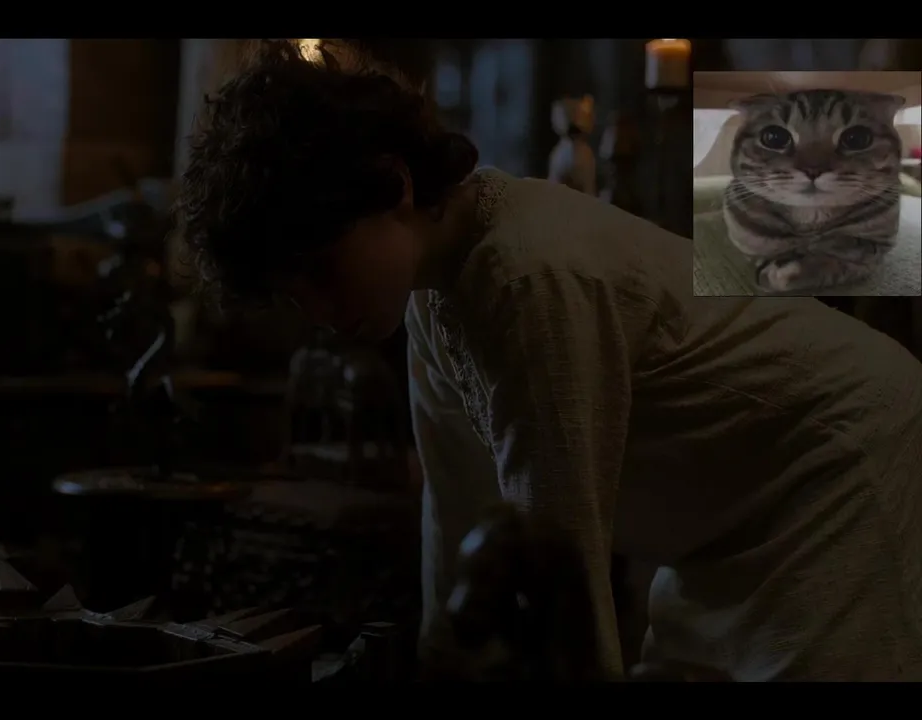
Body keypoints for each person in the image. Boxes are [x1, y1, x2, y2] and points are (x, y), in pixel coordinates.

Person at [174, 40, 922, 681]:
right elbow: (457, 510)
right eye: (294, 295)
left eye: (322, 270)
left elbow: (556, 557)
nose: (320, 311)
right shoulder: (432, 297)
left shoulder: (525, 275)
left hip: (840, 466)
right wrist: (441, 662)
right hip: (723, 528)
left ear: (394, 185)